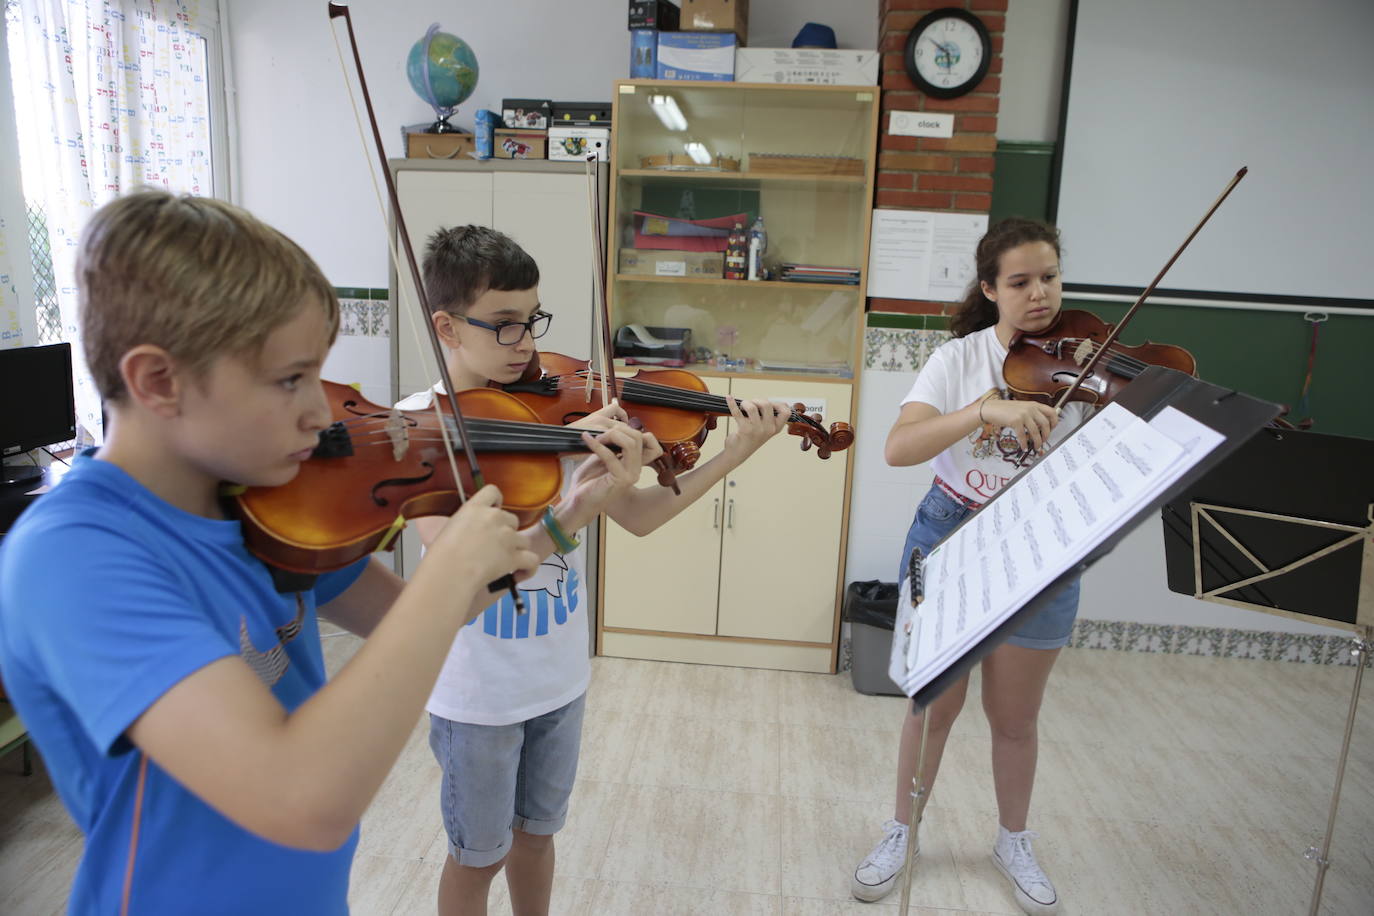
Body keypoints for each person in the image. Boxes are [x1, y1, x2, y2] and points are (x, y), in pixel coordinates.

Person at [0, 189, 573, 914]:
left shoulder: (262, 507)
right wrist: (450, 564)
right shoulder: (74, 556)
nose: (320, 411)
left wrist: (546, 528)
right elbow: (302, 800)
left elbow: (422, 619)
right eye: (290, 379)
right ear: (157, 381)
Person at [405, 225, 792, 916]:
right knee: (477, 856)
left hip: (558, 679)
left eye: (532, 320)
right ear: (447, 327)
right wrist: (573, 510)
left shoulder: (558, 415)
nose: (526, 343)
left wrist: (736, 453)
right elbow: (462, 574)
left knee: (537, 838)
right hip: (477, 697)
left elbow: (641, 516)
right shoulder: (418, 431)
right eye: (504, 325)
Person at [851, 218, 1092, 915]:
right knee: (933, 705)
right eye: (1019, 281)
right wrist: (984, 411)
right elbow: (899, 447)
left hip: (1043, 547)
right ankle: (903, 831)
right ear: (990, 290)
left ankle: (1012, 840)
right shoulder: (959, 359)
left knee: (1014, 717)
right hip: (951, 534)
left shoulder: (1087, 360)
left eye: (1049, 276)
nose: (1039, 293)